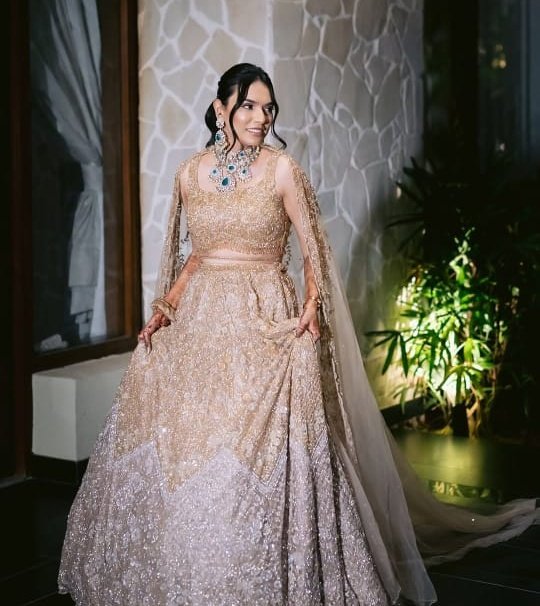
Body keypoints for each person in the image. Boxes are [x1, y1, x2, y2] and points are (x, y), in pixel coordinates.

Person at [58, 63, 538, 605]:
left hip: (267, 320)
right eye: (248, 106)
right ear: (220, 110)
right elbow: (195, 256)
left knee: (257, 452)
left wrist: (311, 306)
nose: (261, 117)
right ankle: (181, 573)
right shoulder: (190, 174)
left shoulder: (282, 170)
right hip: (203, 327)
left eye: (268, 108)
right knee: (193, 445)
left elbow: (314, 253)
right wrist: (166, 307)